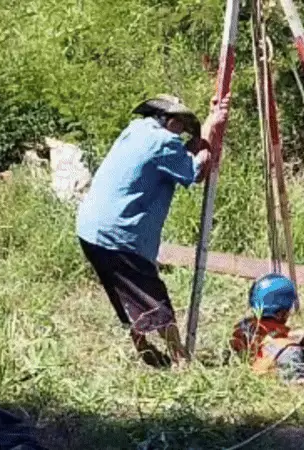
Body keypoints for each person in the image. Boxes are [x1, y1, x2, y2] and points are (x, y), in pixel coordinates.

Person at [76, 93, 229, 368]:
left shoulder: (138, 130)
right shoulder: (163, 142)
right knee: (151, 297)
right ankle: (181, 361)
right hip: (118, 233)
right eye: (182, 126)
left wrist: (206, 130)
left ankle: (144, 350)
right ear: (170, 121)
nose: (182, 133)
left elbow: (181, 157)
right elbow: (197, 172)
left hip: (91, 227)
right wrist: (211, 130)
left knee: (122, 292)